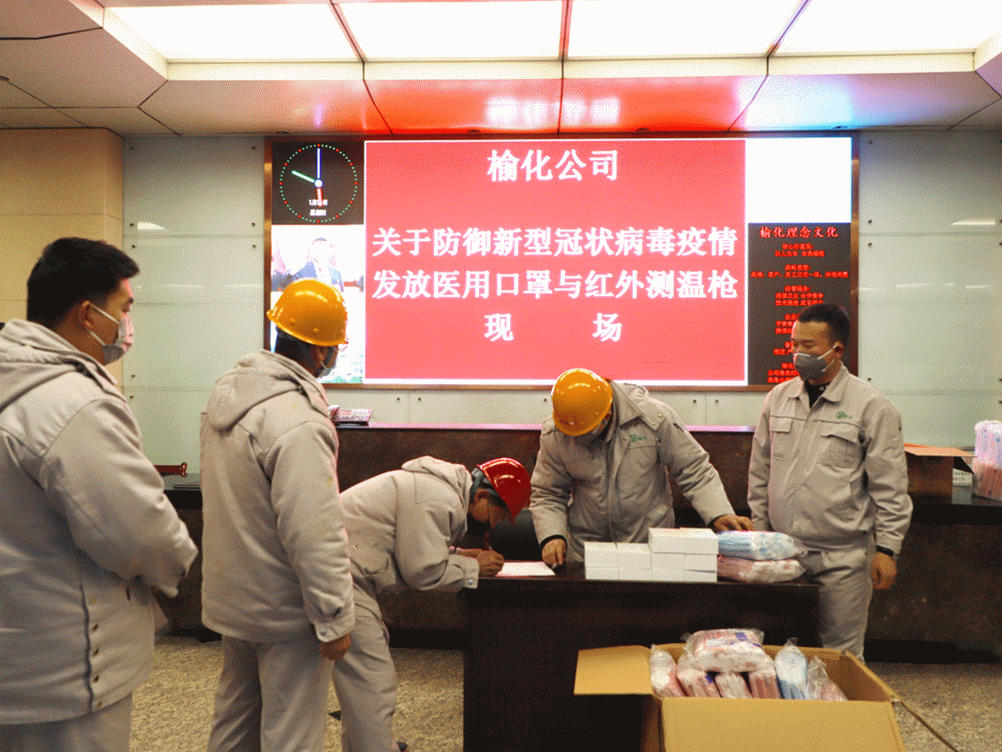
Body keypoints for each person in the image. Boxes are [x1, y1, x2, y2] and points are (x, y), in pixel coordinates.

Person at [0, 237, 198, 751]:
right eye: (123, 309)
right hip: (63, 671)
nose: (127, 325)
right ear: (88, 315)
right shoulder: (73, 403)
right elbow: (138, 532)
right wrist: (178, 563)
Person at [200, 278, 356, 752]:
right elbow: (314, 530)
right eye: (334, 347)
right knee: (292, 734)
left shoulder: (226, 399)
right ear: (319, 350)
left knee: (235, 722)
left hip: (234, 597)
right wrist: (333, 617)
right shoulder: (299, 420)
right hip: (286, 611)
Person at [747, 303, 913, 658]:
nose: (797, 353)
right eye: (794, 344)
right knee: (777, 652)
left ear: (836, 350)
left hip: (842, 558)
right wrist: (761, 538)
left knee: (841, 655)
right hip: (782, 553)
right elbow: (760, 473)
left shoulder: (871, 407)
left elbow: (890, 486)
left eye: (808, 346)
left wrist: (887, 549)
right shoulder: (778, 399)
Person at [332, 455, 529, 752]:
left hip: (347, 572)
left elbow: (416, 546)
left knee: (361, 679)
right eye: (498, 516)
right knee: (371, 678)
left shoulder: (439, 491)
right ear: (481, 496)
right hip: (341, 575)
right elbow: (421, 570)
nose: (493, 526)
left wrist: (460, 555)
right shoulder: (437, 499)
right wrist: (474, 568)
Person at [530, 367, 751, 567]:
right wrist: (552, 536)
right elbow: (548, 492)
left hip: (649, 548)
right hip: (586, 553)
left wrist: (718, 513)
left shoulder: (653, 418)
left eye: (587, 432)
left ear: (607, 415)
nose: (579, 439)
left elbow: (694, 469)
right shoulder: (557, 433)